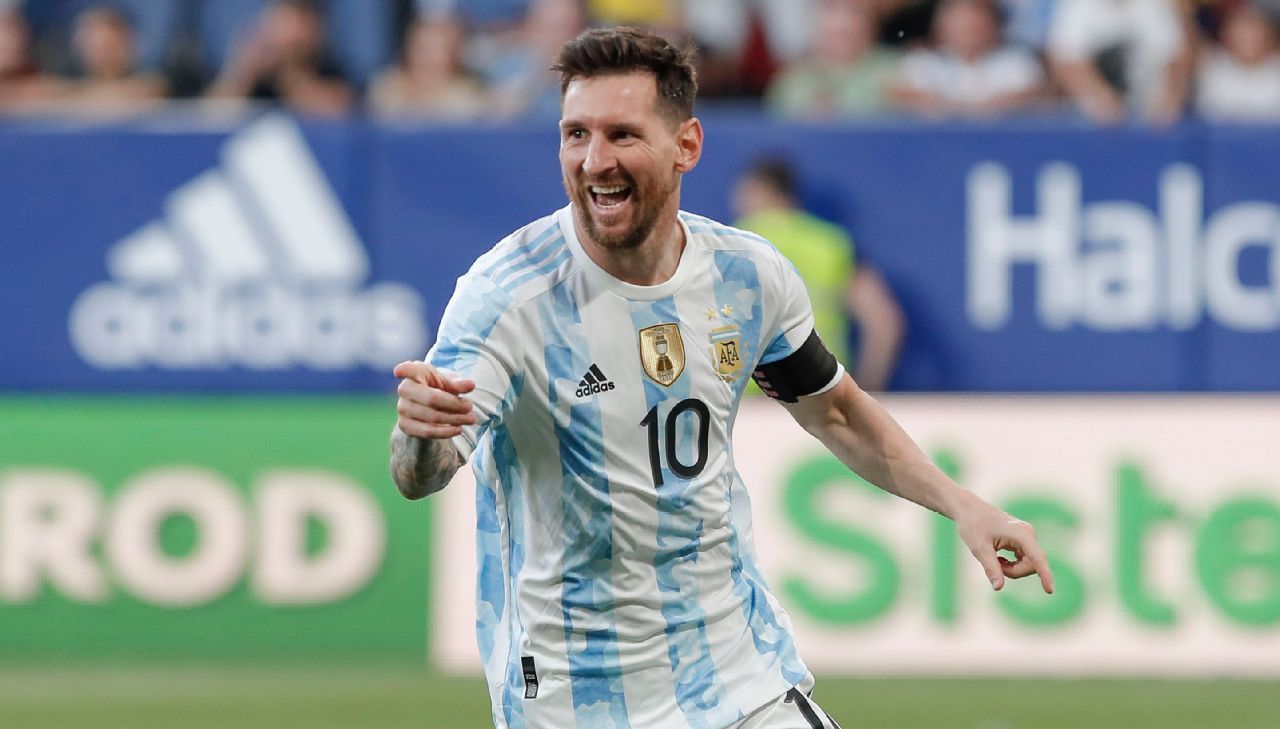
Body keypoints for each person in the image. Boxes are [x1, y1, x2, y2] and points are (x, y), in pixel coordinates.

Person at [390, 26, 1053, 729]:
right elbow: (420, 472)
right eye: (575, 134)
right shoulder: (508, 296)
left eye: (621, 134)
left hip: (737, 672)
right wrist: (421, 433)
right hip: (573, 694)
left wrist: (963, 504)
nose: (593, 161)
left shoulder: (747, 277)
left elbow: (837, 412)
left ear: (688, 146)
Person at [733, 157, 905, 392]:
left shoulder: (733, 244)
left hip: (749, 399)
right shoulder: (830, 244)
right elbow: (884, 324)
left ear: (757, 191)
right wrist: (864, 394)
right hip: (821, 393)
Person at [889, 0, 1046, 118]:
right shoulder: (922, 61)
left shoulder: (1016, 62)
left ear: (993, 24)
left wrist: (971, 110)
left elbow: (1032, 95)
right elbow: (900, 94)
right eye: (961, 25)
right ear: (941, 26)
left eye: (976, 24)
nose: (969, 31)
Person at [1046, 0, 1193, 125]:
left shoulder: (1155, 5)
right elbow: (1064, 58)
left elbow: (1177, 55)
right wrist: (1098, 96)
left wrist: (1170, 96)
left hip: (1151, 117)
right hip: (1091, 120)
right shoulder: (1078, 5)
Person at [206, 0, 352, 116]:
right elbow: (205, 119)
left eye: (301, 22)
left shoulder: (330, 67)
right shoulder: (257, 75)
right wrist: (243, 73)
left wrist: (288, 76)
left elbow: (336, 112)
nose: (293, 34)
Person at [764, 0, 901, 120]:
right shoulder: (792, 80)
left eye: (854, 13)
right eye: (832, 12)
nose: (842, 23)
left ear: (871, 26)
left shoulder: (895, 69)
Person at [368, 16, 487, 120]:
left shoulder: (467, 97)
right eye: (421, 46)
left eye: (436, 49)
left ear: (454, 54)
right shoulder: (386, 87)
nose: (426, 55)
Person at [1195, 1, 1280, 122]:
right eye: (1241, 31)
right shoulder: (1209, 66)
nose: (1247, 38)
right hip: (1218, 139)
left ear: (1268, 34)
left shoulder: (1276, 70)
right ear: (1226, 34)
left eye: (1254, 30)